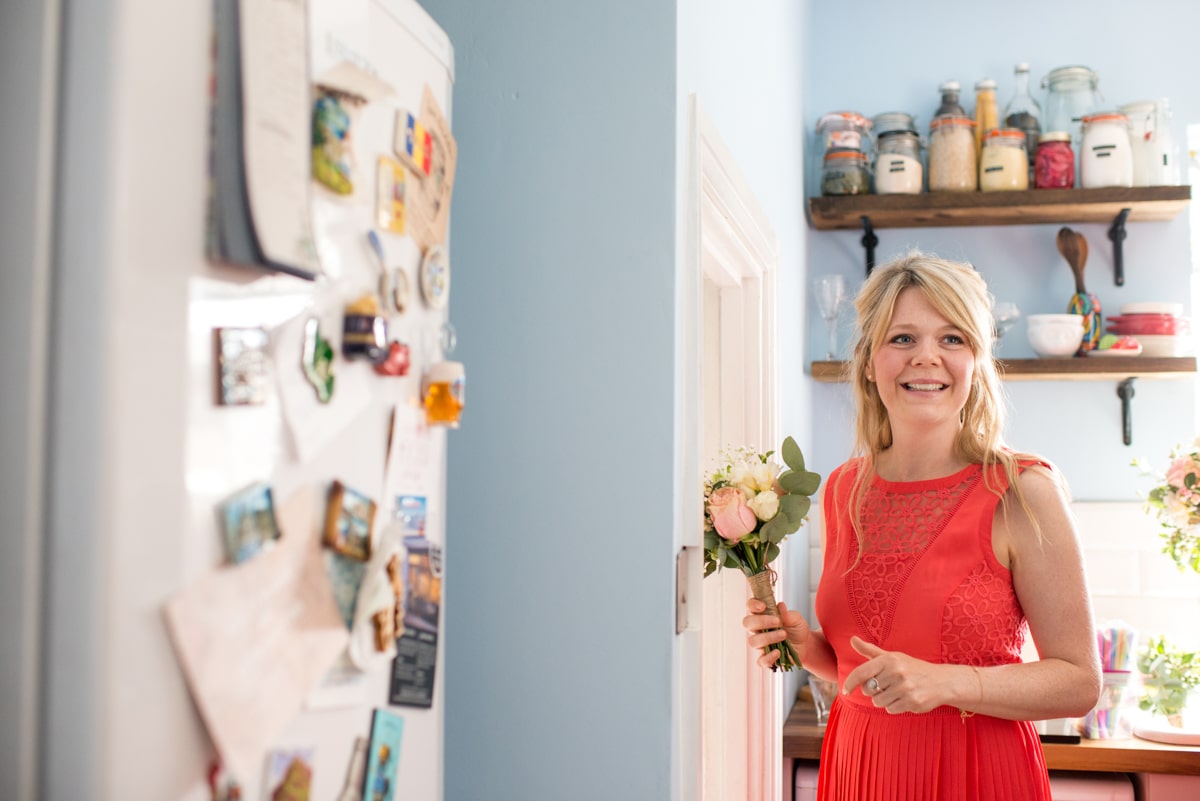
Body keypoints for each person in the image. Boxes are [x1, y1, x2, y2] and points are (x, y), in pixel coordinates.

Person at [744, 252, 1101, 800]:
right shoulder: (843, 488)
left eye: (953, 339)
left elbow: (1080, 682)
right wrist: (811, 649)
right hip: (858, 766)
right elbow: (867, 671)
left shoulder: (1022, 490)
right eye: (903, 338)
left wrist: (948, 683)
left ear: (977, 360)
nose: (927, 358)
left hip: (975, 773)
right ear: (869, 360)